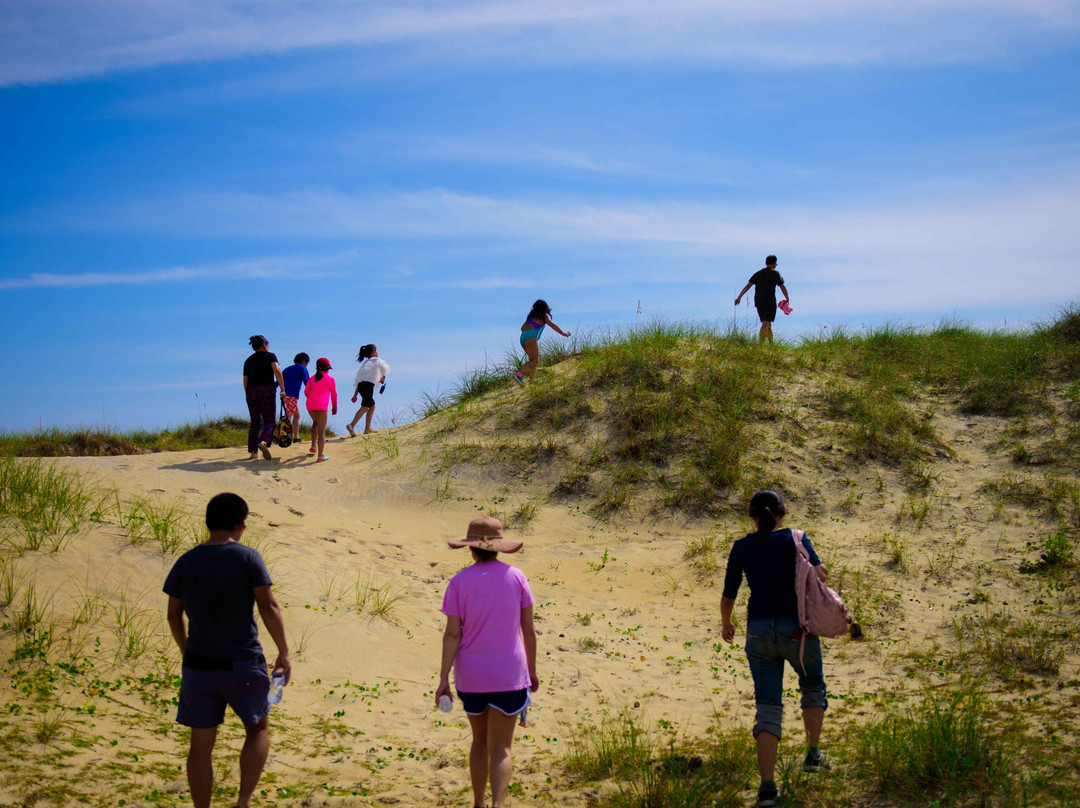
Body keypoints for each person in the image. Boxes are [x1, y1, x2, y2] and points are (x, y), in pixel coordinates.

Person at [164, 493, 291, 808]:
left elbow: (173, 614)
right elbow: (268, 605)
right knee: (258, 728)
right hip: (241, 662)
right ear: (241, 524)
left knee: (200, 746)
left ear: (208, 523)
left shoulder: (186, 561)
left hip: (198, 666)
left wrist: (186, 649)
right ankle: (243, 802)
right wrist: (284, 651)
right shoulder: (247, 557)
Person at [720, 490, 830, 808]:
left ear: (753, 518)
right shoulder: (796, 539)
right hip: (796, 629)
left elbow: (729, 592)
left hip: (758, 633)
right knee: (812, 688)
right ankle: (812, 755)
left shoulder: (742, 547)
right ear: (782, 514)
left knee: (768, 707)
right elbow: (821, 575)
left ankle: (767, 789)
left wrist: (727, 623)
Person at [436, 516, 540, 808]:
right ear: (498, 548)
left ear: (471, 549)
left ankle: (478, 804)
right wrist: (531, 672)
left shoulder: (458, 583)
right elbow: (528, 631)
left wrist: (444, 679)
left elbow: (452, 634)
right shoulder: (517, 577)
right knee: (502, 748)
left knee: (479, 742)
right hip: (509, 674)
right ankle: (497, 806)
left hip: (472, 677)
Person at [242, 335, 286, 460]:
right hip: (267, 389)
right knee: (269, 420)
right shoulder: (270, 356)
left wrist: (248, 393)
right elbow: (277, 370)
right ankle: (264, 441)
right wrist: (282, 389)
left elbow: (245, 381)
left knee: (255, 421)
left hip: (251, 391)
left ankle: (253, 452)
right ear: (264, 344)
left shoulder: (248, 360)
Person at [734, 256, 790, 345]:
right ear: (774, 263)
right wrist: (787, 299)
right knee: (766, 324)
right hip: (769, 302)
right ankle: (760, 346)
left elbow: (748, 286)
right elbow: (782, 287)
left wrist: (739, 297)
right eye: (776, 263)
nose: (776, 265)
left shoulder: (758, 273)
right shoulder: (775, 273)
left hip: (759, 302)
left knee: (768, 324)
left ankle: (772, 345)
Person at [515, 299, 571, 385]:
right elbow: (553, 325)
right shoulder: (544, 316)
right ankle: (518, 374)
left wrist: (527, 336)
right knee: (534, 361)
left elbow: (522, 328)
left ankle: (532, 381)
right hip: (531, 336)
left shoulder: (531, 316)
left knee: (534, 361)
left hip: (523, 337)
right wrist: (564, 333)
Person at [346, 344, 390, 437]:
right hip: (368, 386)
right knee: (366, 407)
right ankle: (352, 425)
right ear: (374, 352)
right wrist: (383, 378)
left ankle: (367, 428)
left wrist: (355, 394)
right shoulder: (377, 360)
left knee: (370, 406)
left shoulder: (365, 364)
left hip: (361, 386)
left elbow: (359, 379)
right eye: (377, 351)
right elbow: (384, 369)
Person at [303, 357, 337, 462]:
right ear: (327, 368)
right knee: (321, 431)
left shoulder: (312, 378)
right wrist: (334, 407)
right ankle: (320, 456)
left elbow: (305, 392)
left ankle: (313, 446)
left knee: (315, 423)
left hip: (310, 405)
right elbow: (334, 395)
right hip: (322, 406)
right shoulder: (330, 379)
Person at [281, 353, 310, 446]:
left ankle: (296, 437)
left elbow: (278, 380)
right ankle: (282, 436)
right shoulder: (302, 368)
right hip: (293, 395)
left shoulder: (287, 369)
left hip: (286, 395)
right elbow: (307, 381)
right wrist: (312, 392)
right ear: (304, 361)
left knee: (296, 415)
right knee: (288, 416)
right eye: (307, 363)